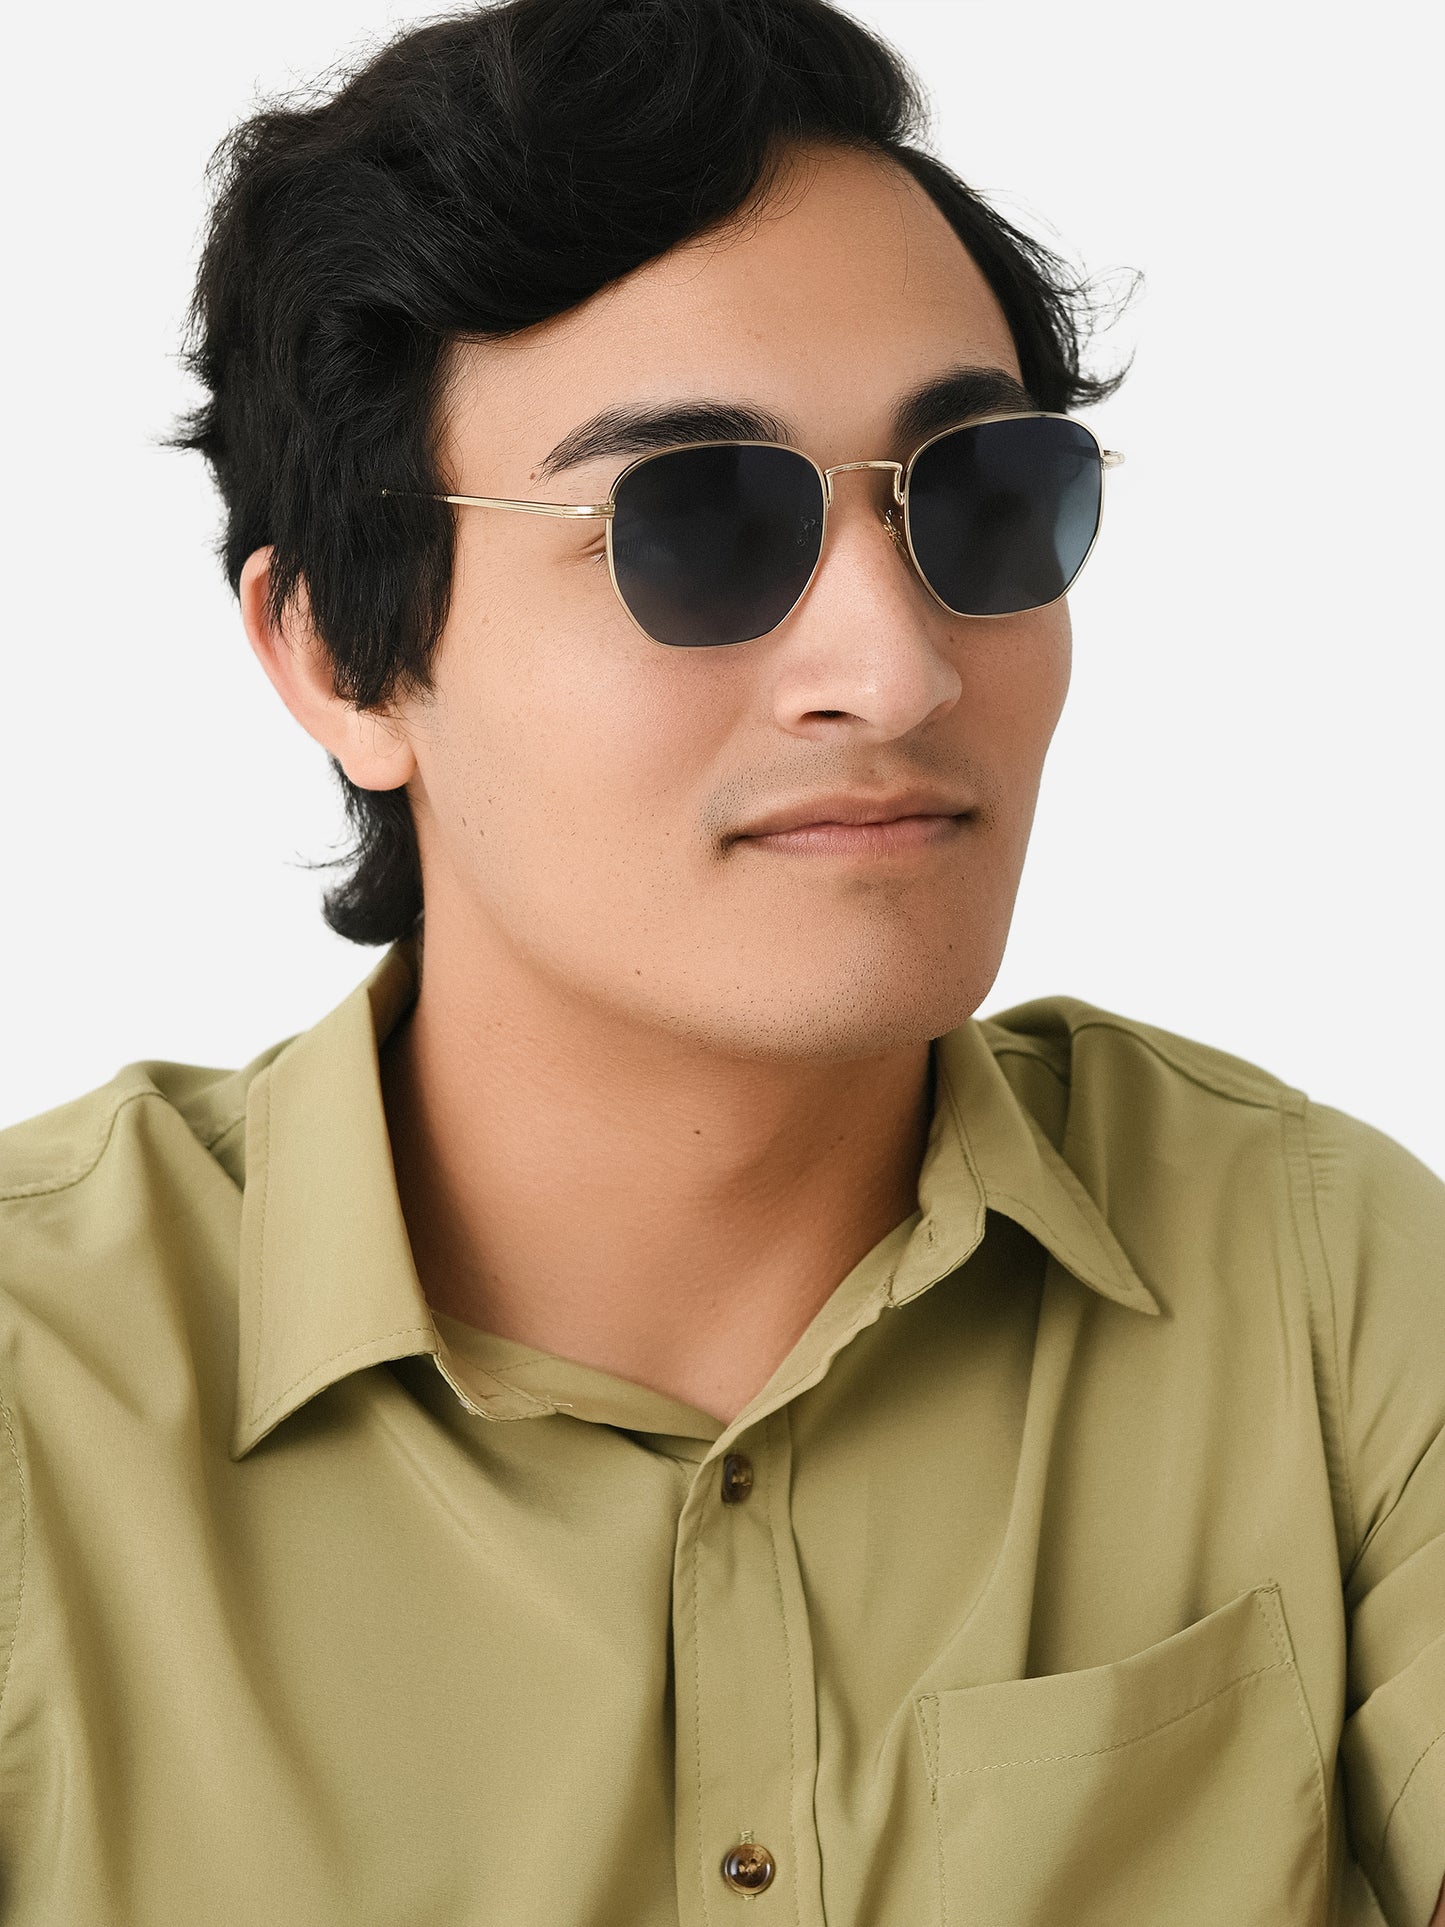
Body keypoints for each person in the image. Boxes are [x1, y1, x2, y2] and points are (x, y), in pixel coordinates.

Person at [0, 0, 1440, 1919]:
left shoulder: (1322, 1284)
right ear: (341, 655)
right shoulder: (37, 1392)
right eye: (691, 527)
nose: (895, 669)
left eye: (979, 498)